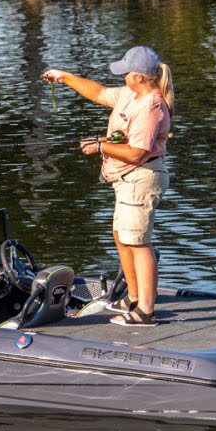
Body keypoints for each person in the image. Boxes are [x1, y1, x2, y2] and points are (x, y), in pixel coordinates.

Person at [42, 46, 174, 326]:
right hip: (126, 180)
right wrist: (64, 77)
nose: (123, 76)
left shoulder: (150, 106)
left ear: (139, 77)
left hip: (142, 177)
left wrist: (100, 145)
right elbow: (99, 92)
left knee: (138, 243)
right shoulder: (130, 94)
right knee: (121, 235)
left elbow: (138, 153)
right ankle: (133, 297)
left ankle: (146, 312)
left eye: (126, 72)